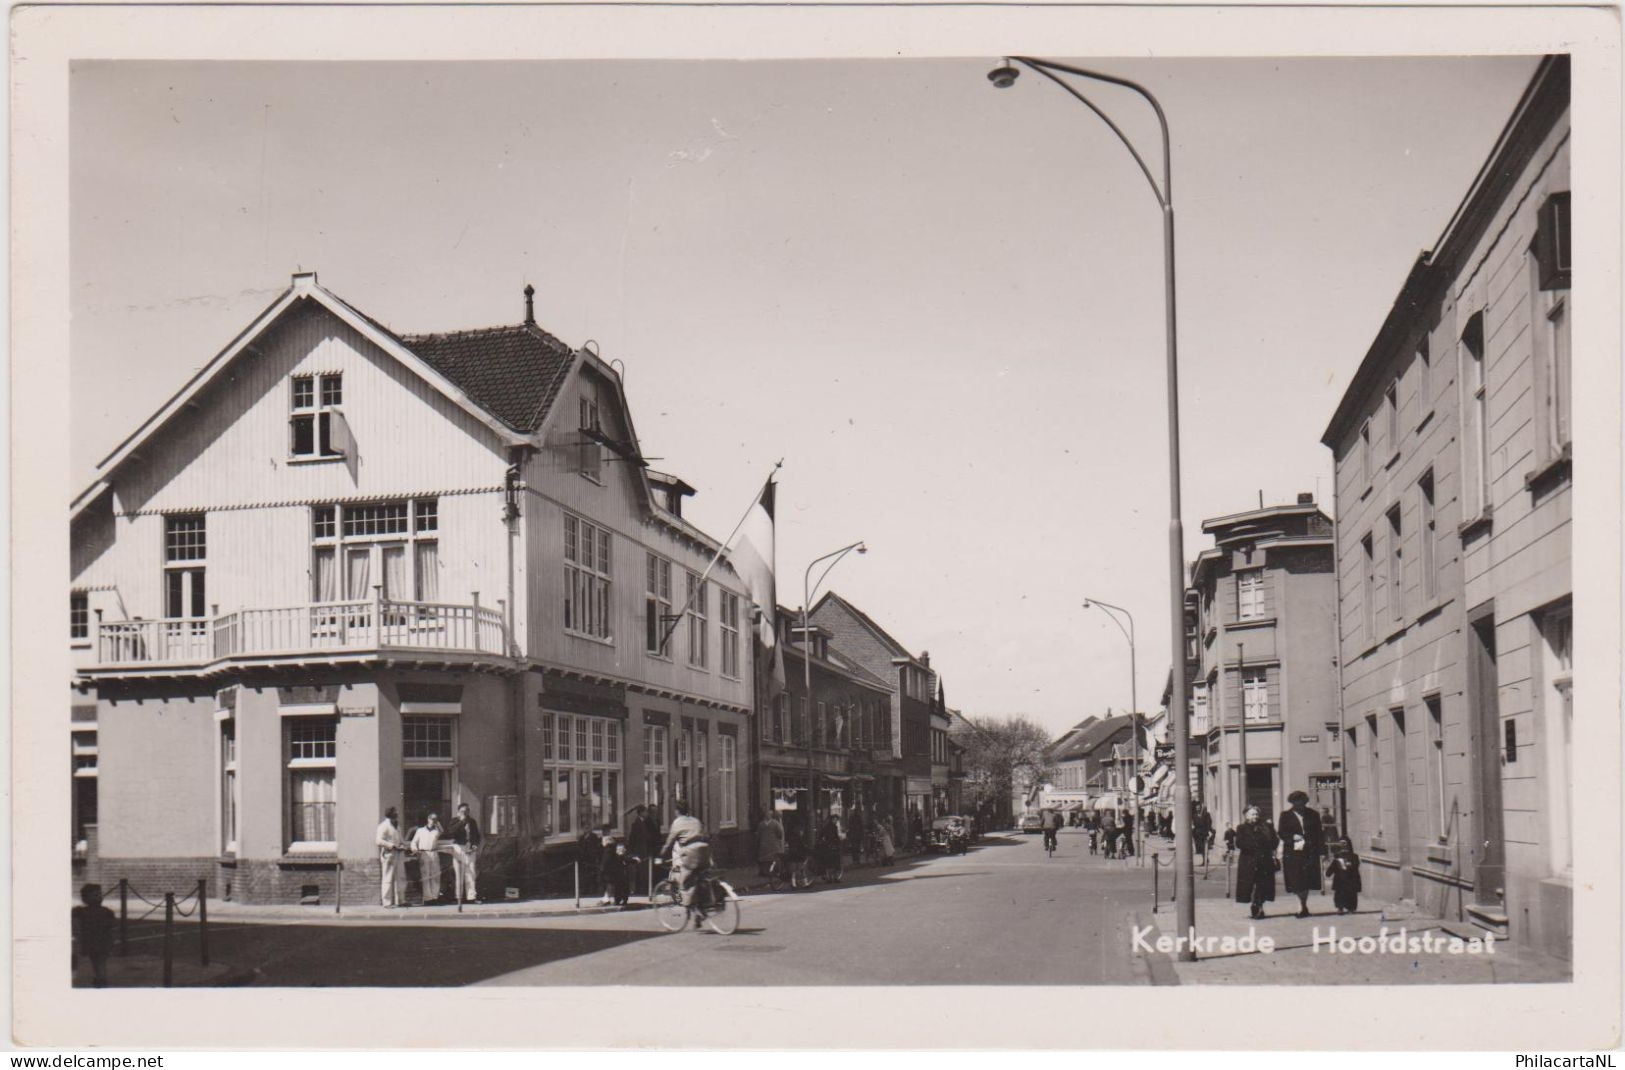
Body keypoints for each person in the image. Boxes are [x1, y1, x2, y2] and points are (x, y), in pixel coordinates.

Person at [1277, 790, 1326, 918]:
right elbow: (1281, 832)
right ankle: (1300, 904)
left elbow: (1319, 834)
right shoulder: (1285, 815)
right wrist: (1293, 837)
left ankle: (1303, 903)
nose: (1300, 806)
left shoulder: (1313, 815)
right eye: (1296, 803)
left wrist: (1322, 851)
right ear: (1292, 803)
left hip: (1310, 852)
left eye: (1302, 803)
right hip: (1293, 852)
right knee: (1296, 879)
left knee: (1307, 879)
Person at [1233, 806, 1280, 920]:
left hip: (1264, 860)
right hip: (1249, 861)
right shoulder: (1241, 828)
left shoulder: (1266, 826)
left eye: (1256, 814)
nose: (1255, 816)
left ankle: (1258, 906)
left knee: (1261, 884)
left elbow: (1275, 842)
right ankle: (1256, 904)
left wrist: (1272, 831)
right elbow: (1239, 843)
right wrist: (1255, 847)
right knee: (1251, 884)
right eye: (1252, 814)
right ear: (1246, 816)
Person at [660, 801, 710, 907]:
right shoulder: (696, 821)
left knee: (684, 880)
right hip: (704, 851)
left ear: (677, 811)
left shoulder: (677, 822)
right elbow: (705, 836)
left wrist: (662, 854)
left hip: (690, 853)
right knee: (699, 878)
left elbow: (670, 842)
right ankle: (701, 906)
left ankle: (688, 904)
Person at [72, 883, 116, 988]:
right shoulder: (83, 912)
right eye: (95, 895)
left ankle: (101, 979)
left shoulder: (105, 911)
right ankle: (99, 977)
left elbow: (111, 926)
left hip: (101, 941)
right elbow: (77, 927)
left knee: (100, 961)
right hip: (93, 941)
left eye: (100, 895)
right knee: (96, 961)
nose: (99, 897)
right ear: (85, 899)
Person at [447, 802, 482, 903]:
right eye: (463, 811)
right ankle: (458, 897)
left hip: (470, 849)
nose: (465, 813)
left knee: (471, 874)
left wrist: (475, 844)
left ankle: (471, 897)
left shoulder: (472, 822)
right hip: (459, 848)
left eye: (467, 811)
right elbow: (450, 832)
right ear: (458, 812)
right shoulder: (454, 821)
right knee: (458, 874)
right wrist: (461, 822)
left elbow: (477, 835)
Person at [411, 812, 444, 903]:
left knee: (435, 875)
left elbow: (442, 831)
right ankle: (427, 898)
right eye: (432, 819)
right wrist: (415, 850)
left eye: (435, 819)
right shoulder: (420, 830)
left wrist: (438, 823)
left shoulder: (436, 831)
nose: (433, 821)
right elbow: (413, 842)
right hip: (424, 853)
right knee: (425, 876)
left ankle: (435, 897)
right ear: (428, 819)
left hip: (434, 853)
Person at [376, 807, 406, 907]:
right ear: (390, 814)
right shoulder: (383, 826)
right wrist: (391, 845)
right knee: (387, 878)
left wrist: (402, 845)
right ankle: (387, 902)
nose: (397, 813)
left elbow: (401, 839)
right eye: (395, 812)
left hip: (399, 854)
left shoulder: (397, 826)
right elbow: (378, 840)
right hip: (388, 854)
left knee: (400, 877)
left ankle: (400, 900)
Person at [1326, 837, 1363, 914]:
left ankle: (1351, 908)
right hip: (1340, 879)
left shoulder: (1354, 856)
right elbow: (1333, 866)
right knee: (1339, 894)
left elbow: (1356, 865)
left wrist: (1350, 865)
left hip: (1351, 880)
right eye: (1341, 843)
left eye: (1344, 843)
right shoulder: (1338, 856)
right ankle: (1340, 908)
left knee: (1351, 894)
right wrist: (1329, 872)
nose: (1342, 845)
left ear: (1348, 845)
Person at [600, 840, 633, 907]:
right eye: (618, 849)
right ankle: (617, 900)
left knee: (623, 888)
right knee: (618, 888)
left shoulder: (623, 856)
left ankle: (623, 900)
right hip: (618, 875)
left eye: (622, 849)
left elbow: (628, 860)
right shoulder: (616, 856)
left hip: (623, 875)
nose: (620, 851)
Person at [757, 807, 786, 878]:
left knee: (772, 858)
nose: (769, 815)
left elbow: (780, 833)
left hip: (771, 844)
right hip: (767, 844)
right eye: (768, 814)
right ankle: (766, 872)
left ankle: (772, 871)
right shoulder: (762, 824)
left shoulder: (774, 823)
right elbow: (759, 834)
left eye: (770, 814)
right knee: (768, 858)